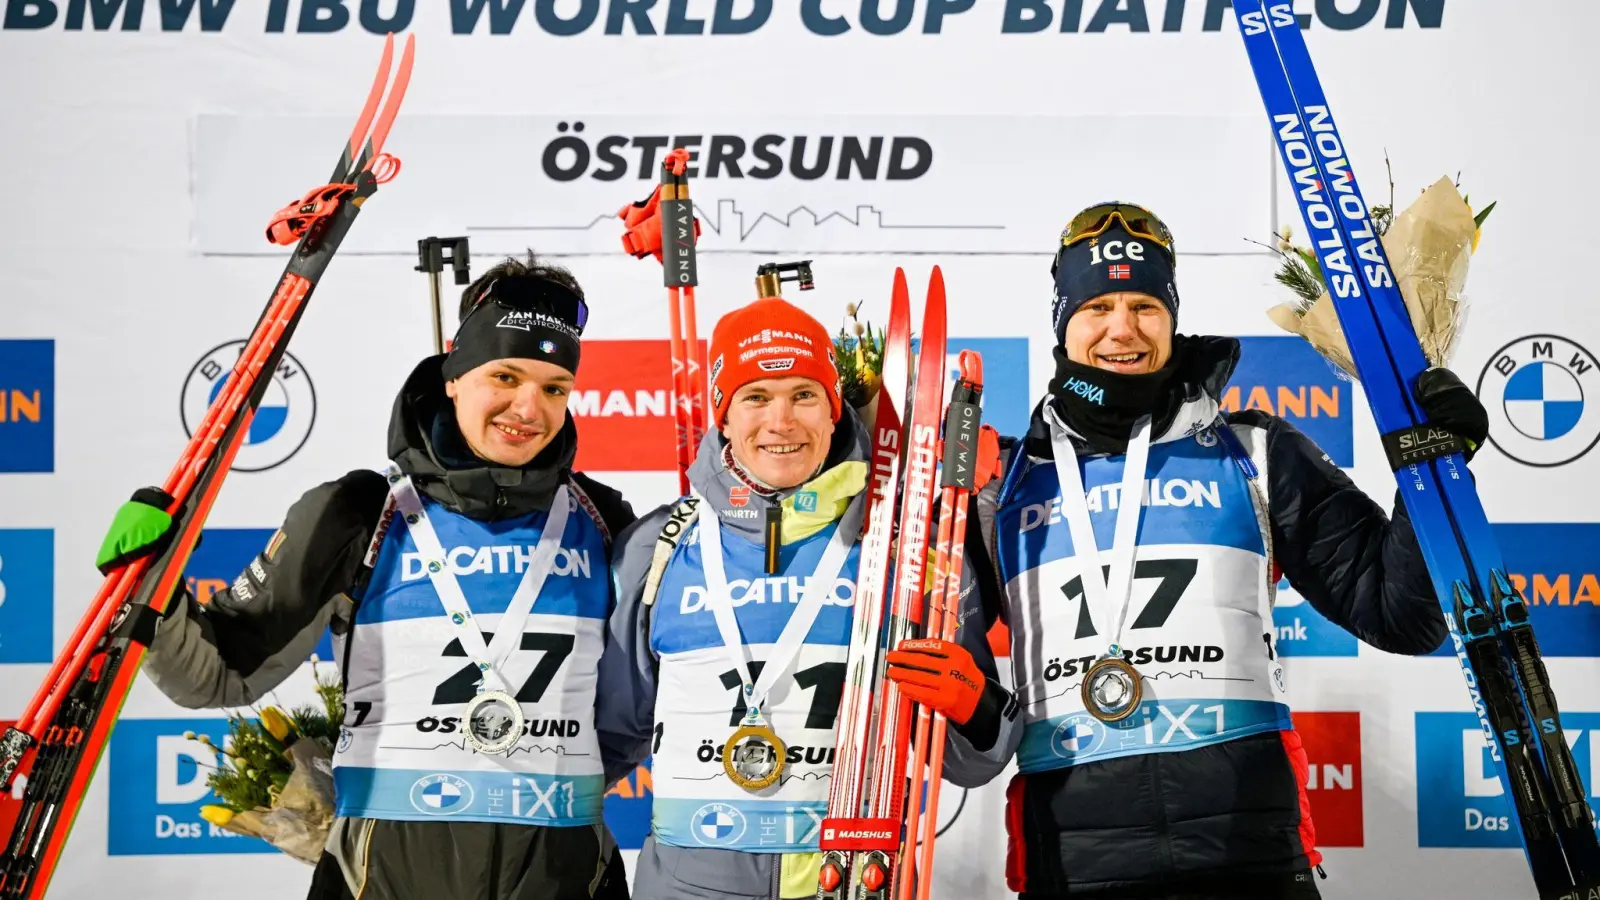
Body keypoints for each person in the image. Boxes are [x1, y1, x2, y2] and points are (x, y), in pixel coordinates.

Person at [891, 203, 1490, 900]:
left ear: (1172, 316)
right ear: (1064, 323)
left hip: (1251, 861)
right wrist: (970, 706)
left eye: (1145, 305)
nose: (1123, 328)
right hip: (1076, 868)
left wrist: (1431, 479)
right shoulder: (1002, 487)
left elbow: (1404, 616)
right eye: (1099, 307)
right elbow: (966, 759)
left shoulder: (1257, 452)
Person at [94, 253, 639, 900]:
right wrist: (149, 590)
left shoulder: (602, 519)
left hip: (565, 878)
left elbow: (631, 710)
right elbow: (218, 672)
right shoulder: (361, 512)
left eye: (555, 388)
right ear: (455, 375)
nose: (529, 408)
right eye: (506, 375)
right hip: (380, 881)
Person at [594, 295, 1017, 900]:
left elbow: (974, 761)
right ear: (723, 414)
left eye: (804, 395)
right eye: (756, 397)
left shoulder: (904, 547)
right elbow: (608, 738)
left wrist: (973, 707)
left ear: (834, 408)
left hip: (851, 881)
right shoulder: (660, 547)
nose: (781, 420)